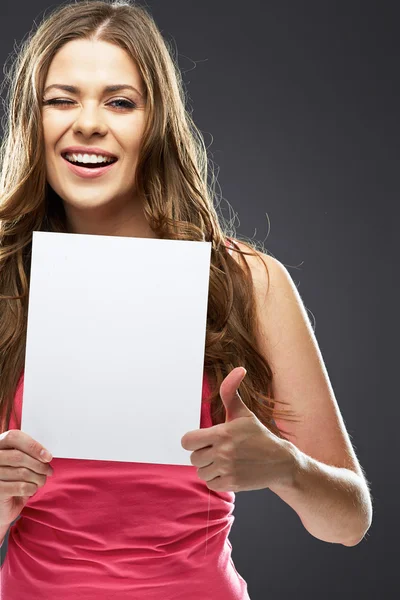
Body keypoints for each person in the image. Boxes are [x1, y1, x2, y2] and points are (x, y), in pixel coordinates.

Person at [0, 1, 373, 599]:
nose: (88, 123)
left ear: (157, 124)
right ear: (31, 120)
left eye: (120, 102)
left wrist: (285, 466)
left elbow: (350, 522)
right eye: (62, 99)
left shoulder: (250, 282)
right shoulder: (4, 279)